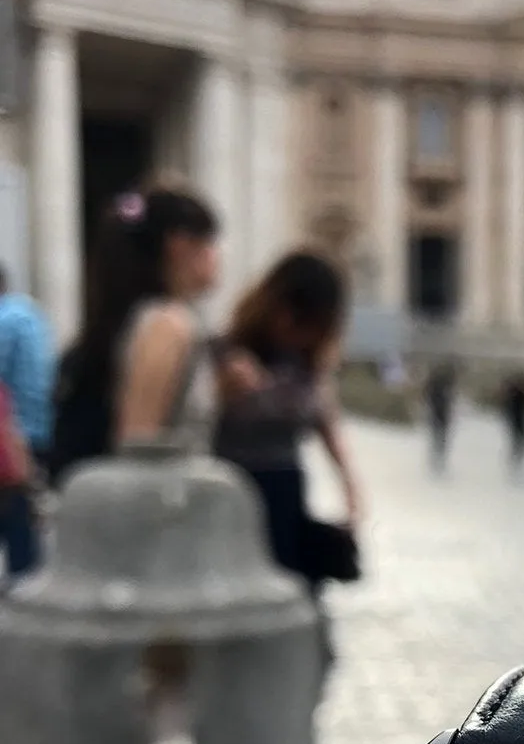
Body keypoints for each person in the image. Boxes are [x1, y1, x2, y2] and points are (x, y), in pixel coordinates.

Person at [214, 251, 361, 593]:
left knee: (296, 595)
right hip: (234, 490)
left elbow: (327, 421)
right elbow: (197, 418)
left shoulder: (308, 363)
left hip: (287, 490)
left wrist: (349, 483)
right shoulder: (226, 351)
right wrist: (223, 389)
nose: (291, 327)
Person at [50, 185, 220, 479]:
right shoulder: (167, 325)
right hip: (160, 511)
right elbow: (138, 444)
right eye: (210, 243)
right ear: (178, 245)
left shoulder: (138, 319)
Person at [0, 267, 56, 579]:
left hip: (11, 435)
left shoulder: (3, 321)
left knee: (14, 512)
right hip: (38, 427)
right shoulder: (30, 313)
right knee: (21, 512)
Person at [423, 364, 456, 474]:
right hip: (441, 415)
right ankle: (439, 455)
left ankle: (438, 455)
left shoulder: (434, 389)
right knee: (440, 437)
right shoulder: (442, 390)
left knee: (438, 437)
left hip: (438, 415)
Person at [502, 373, 524, 473]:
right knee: (519, 439)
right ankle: (517, 455)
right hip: (519, 420)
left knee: (518, 439)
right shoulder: (520, 395)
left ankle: (517, 455)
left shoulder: (515, 395)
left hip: (518, 420)